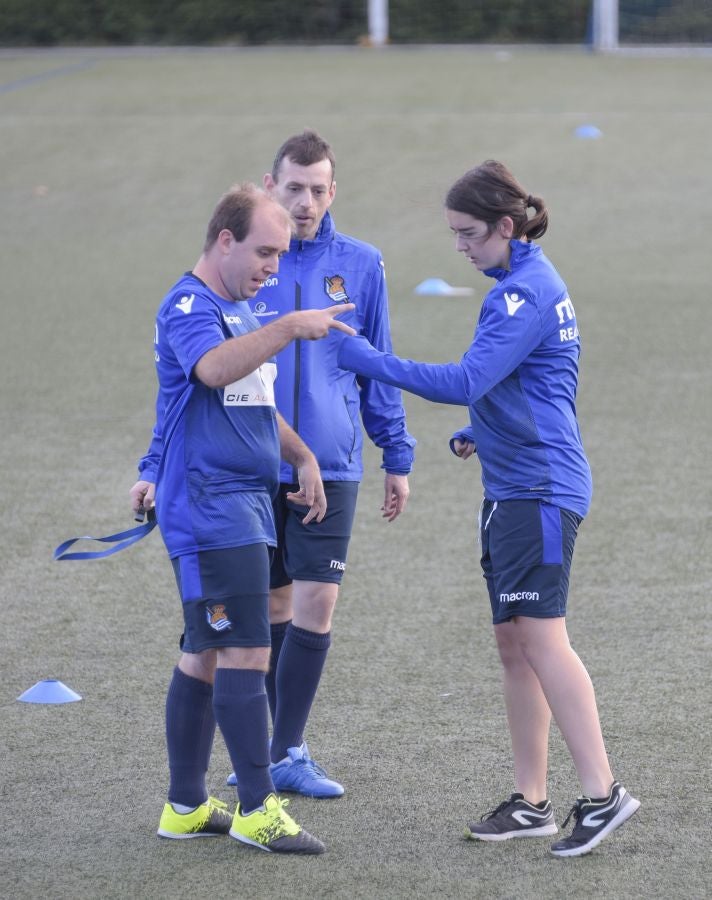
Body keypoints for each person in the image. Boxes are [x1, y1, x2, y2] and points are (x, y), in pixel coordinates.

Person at [335, 160, 640, 858]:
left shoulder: (522, 294)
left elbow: (468, 376)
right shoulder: (525, 281)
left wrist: (363, 356)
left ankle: (602, 795)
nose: (461, 248)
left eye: (470, 234)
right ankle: (532, 802)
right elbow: (543, 379)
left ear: (506, 227)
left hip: (539, 491)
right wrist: (488, 426)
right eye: (453, 236)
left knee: (543, 640)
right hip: (512, 487)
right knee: (514, 646)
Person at [130, 183, 355, 853]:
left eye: (282, 255)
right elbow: (208, 370)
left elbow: (249, 397)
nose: (273, 268)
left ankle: (187, 806)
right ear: (224, 240)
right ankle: (257, 809)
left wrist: (303, 455)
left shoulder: (232, 308)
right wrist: (287, 325)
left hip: (239, 504)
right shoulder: (191, 306)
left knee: (205, 652)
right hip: (210, 510)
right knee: (245, 649)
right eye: (263, 251)